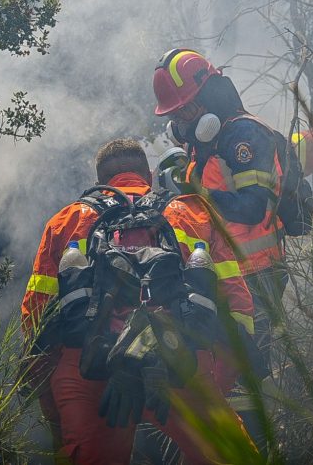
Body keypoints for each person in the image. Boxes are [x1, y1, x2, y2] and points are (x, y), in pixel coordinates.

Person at [21, 138, 256, 464]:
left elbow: (36, 322)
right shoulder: (191, 213)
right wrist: (211, 381)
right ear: (149, 175)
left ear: (100, 181)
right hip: (177, 359)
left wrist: (55, 413)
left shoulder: (66, 222)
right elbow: (236, 306)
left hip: (90, 368)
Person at [152, 48, 291, 454]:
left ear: (209, 93)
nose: (180, 120)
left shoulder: (244, 135)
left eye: (185, 108)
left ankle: (260, 451)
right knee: (225, 376)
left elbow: (253, 207)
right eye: (175, 114)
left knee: (246, 377)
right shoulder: (206, 142)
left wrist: (196, 192)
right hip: (229, 278)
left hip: (258, 274)